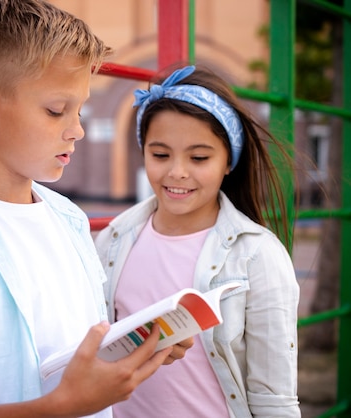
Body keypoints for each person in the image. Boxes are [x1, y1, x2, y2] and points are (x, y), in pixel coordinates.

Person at [0, 1, 190, 417]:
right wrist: (62, 407)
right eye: (56, 111)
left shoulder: (67, 218)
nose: (77, 129)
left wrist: (136, 345)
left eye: (80, 109)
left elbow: (76, 354)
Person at [95, 65, 301, 417]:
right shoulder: (112, 240)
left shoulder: (258, 255)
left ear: (228, 161)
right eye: (160, 155)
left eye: (199, 157)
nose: (177, 171)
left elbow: (274, 397)